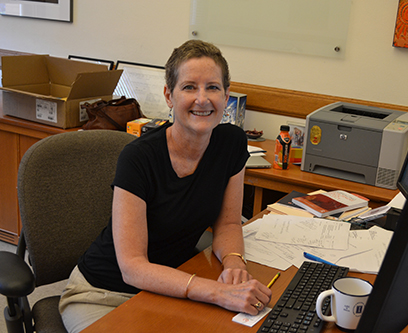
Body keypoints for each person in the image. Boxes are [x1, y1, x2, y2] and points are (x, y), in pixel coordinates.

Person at [59, 40, 272, 333]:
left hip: (169, 286)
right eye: (188, 87)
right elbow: (132, 266)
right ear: (169, 96)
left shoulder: (232, 143)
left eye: (212, 87)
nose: (202, 99)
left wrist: (235, 262)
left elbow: (228, 224)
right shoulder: (138, 158)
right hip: (103, 293)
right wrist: (216, 291)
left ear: (226, 95)